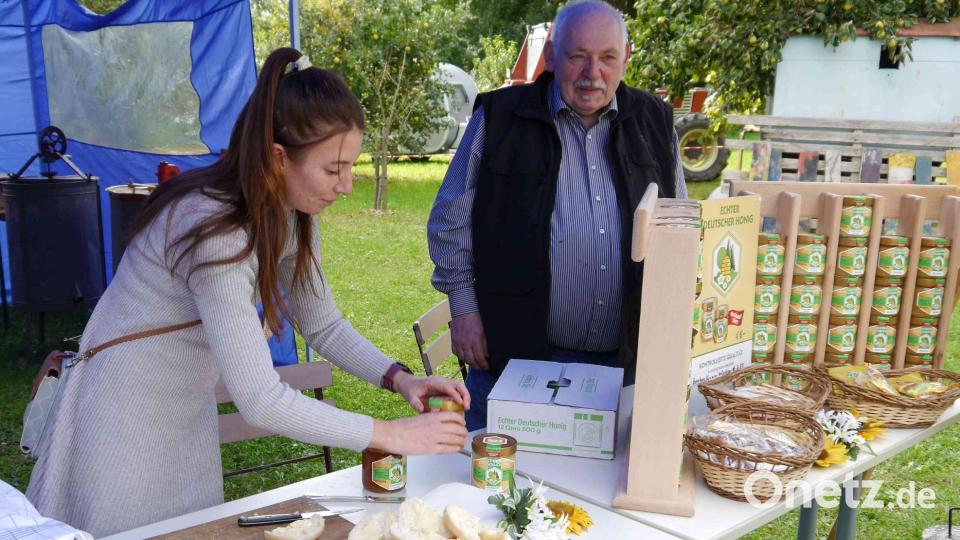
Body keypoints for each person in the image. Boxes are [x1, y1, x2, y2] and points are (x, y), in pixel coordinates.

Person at [26, 47, 469, 537]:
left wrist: (399, 379)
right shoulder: (215, 229)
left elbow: (323, 324)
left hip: (184, 411)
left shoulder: (294, 216)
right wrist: (391, 435)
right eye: (333, 168)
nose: (346, 186)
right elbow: (260, 400)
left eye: (351, 166)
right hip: (122, 416)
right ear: (279, 158)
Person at [428, 0, 688, 431]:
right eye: (577, 56)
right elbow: (449, 222)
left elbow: (677, 229)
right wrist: (464, 311)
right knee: (494, 481)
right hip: (514, 359)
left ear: (625, 59)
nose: (593, 73)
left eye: (607, 58)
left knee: (601, 488)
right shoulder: (500, 117)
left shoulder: (655, 123)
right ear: (551, 56)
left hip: (624, 364)